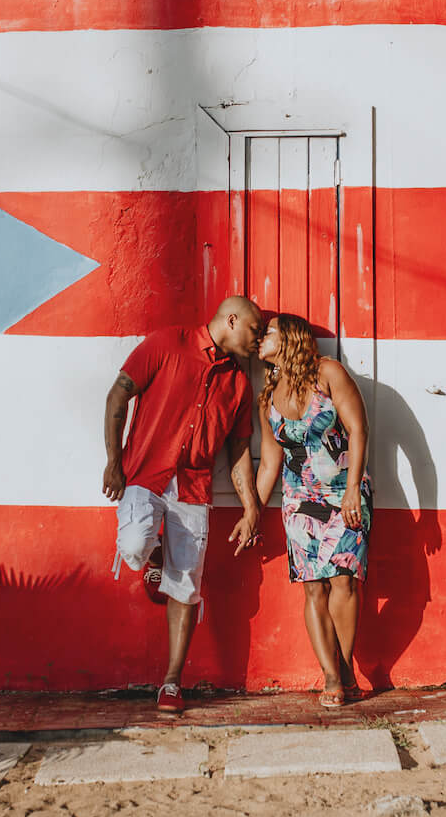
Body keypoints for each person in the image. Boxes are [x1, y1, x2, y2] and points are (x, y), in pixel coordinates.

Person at [103, 296, 263, 714]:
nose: (258, 339)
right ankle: (154, 549)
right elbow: (117, 397)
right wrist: (114, 462)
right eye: (254, 329)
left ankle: (172, 681)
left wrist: (251, 508)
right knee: (135, 546)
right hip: (145, 475)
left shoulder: (239, 385)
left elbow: (240, 452)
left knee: (186, 587)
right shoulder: (165, 344)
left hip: (194, 489)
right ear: (231, 320)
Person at [250, 312, 372, 708]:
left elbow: (358, 429)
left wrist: (353, 488)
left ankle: (346, 663)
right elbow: (269, 462)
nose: (259, 338)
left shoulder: (328, 374)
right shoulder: (267, 398)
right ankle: (333, 675)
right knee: (313, 586)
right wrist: (252, 510)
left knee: (344, 580)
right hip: (298, 499)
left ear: (289, 338)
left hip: (343, 492)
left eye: (267, 332)